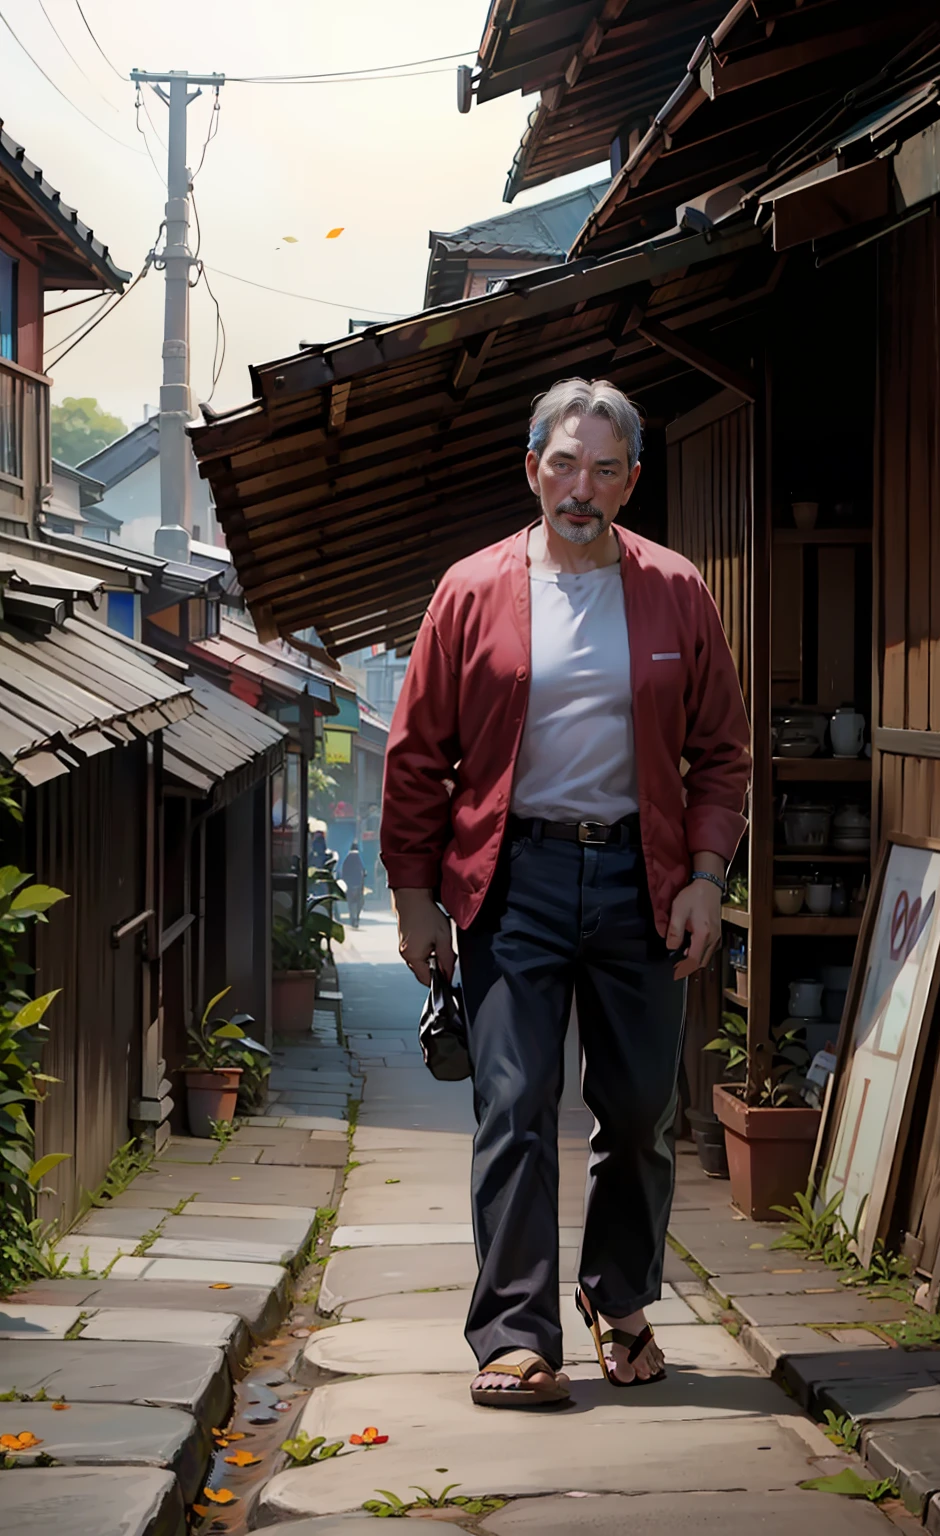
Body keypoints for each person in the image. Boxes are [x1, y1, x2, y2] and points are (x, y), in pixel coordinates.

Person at [381, 378, 750, 1410]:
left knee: (637, 1112)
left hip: (646, 877)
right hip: (513, 878)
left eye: (601, 468)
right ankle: (514, 1333)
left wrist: (707, 880)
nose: (578, 487)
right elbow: (415, 755)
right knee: (513, 1103)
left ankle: (618, 1297)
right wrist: (416, 897)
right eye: (561, 463)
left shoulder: (677, 590)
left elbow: (722, 754)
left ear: (632, 479)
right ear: (530, 468)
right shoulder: (470, 590)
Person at [341, 842, 366, 929]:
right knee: (359, 902)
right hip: (358, 885)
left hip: (349, 885)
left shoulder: (347, 859)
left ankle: (353, 918)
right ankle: (356, 918)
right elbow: (363, 871)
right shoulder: (359, 858)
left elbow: (343, 872)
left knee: (351, 903)